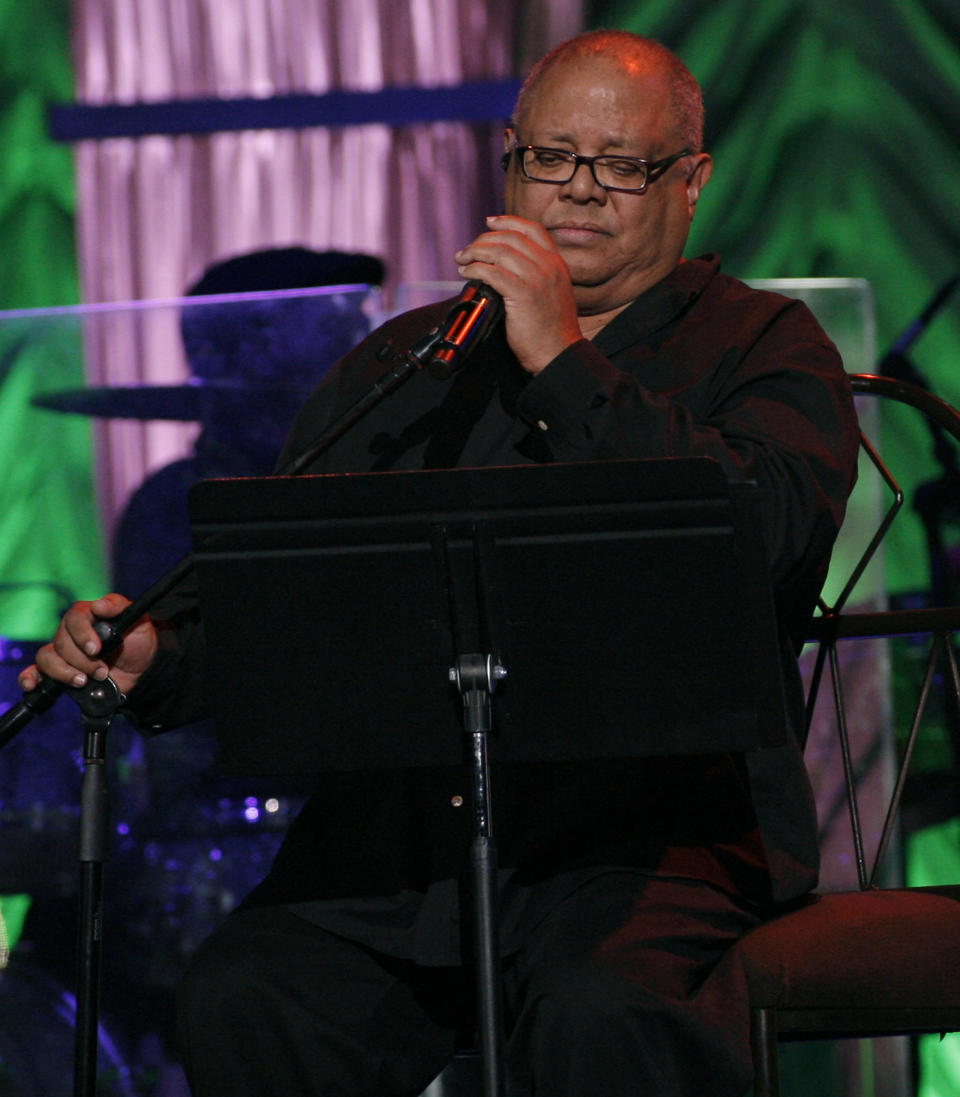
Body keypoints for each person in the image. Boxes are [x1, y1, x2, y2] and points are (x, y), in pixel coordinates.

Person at [21, 29, 860, 1097]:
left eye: (624, 165)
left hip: (651, 839)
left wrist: (564, 359)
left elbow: (765, 541)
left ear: (690, 181)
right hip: (408, 843)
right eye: (553, 157)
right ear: (509, 158)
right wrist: (159, 653)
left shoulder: (762, 344)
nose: (582, 191)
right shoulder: (411, 359)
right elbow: (298, 598)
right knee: (249, 989)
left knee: (603, 1008)